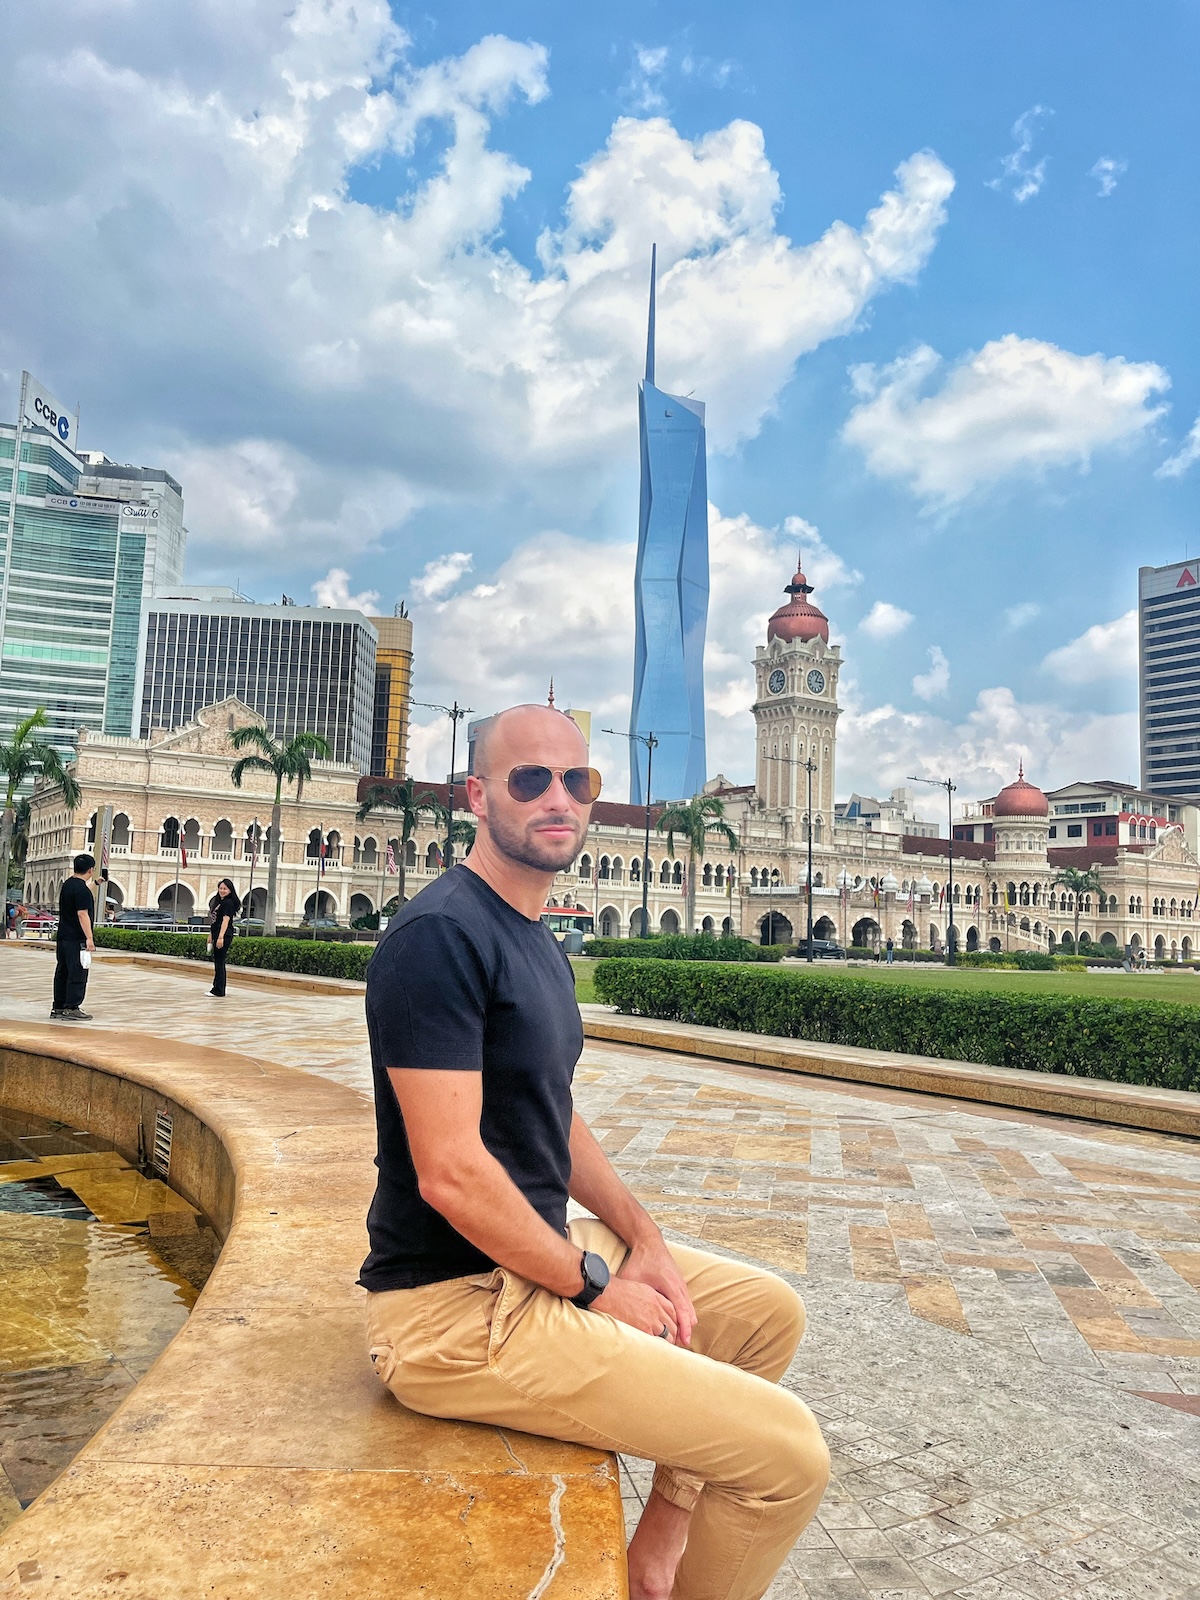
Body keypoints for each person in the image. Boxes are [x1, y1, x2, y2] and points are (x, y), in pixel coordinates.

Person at [360, 704, 829, 1600]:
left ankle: (661, 1536)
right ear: (476, 795)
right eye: (528, 779)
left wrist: (641, 1238)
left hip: (526, 1263)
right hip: (453, 1313)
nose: (557, 799)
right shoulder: (438, 940)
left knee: (764, 1313)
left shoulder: (532, 938)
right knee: (788, 1458)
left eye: (578, 782)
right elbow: (451, 1173)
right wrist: (597, 1286)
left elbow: (553, 1118)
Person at [52, 855, 96, 1021]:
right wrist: (89, 938)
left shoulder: (68, 885)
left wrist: (97, 883)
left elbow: (81, 892)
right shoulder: (82, 890)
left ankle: (58, 1006)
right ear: (90, 870)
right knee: (77, 971)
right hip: (76, 938)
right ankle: (72, 1007)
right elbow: (82, 914)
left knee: (63, 971)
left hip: (63, 936)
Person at [208, 879, 241, 997]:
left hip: (224, 935)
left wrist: (221, 937)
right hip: (217, 934)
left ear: (230, 890)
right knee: (217, 962)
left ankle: (219, 990)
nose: (222, 890)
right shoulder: (219, 902)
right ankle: (216, 987)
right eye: (220, 888)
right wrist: (211, 934)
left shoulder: (228, 903)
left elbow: (225, 920)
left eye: (225, 889)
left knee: (220, 962)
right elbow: (215, 921)